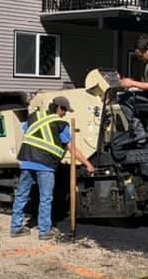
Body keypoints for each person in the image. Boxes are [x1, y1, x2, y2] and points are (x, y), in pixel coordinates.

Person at [10, 96, 95, 240]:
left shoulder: (34, 116)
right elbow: (71, 148)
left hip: (27, 161)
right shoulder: (61, 124)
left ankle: (16, 228)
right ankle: (44, 231)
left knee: (21, 195)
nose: (65, 114)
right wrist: (88, 164)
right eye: (65, 111)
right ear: (59, 108)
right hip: (45, 165)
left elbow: (26, 130)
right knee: (46, 198)